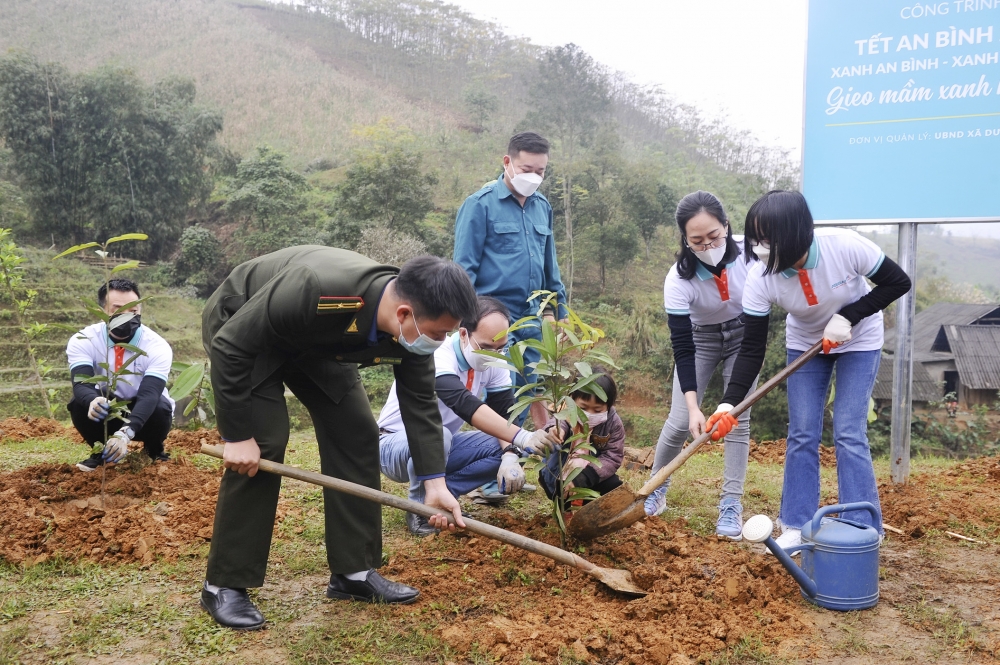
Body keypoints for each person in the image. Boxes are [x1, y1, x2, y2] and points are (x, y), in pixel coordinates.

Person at [199, 247, 478, 630]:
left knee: (357, 432)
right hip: (244, 327)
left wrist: (435, 482)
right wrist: (237, 435)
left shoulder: (414, 328)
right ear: (403, 314)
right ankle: (224, 584)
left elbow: (419, 401)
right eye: (439, 334)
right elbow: (232, 345)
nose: (440, 342)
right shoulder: (318, 289)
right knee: (264, 444)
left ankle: (354, 573)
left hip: (317, 342)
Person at [707, 190, 911, 552]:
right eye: (755, 238)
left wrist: (849, 316)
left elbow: (898, 282)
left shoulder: (844, 246)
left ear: (795, 234)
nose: (757, 247)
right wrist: (728, 404)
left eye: (766, 239)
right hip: (805, 344)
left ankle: (862, 525)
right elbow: (752, 349)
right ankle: (797, 524)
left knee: (848, 429)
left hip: (859, 339)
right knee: (802, 432)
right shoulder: (760, 276)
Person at [377, 296, 555, 536]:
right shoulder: (438, 354)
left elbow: (503, 416)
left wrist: (511, 454)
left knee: (507, 444)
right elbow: (464, 404)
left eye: (500, 347)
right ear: (463, 334)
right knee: (438, 435)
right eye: (486, 347)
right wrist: (522, 436)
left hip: (442, 445)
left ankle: (443, 495)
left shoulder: (496, 363)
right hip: (393, 446)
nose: (494, 354)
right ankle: (421, 511)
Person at [643, 191, 757, 541]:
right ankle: (655, 487)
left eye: (714, 236)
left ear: (726, 226)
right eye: (697, 240)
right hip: (700, 339)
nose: (707, 245)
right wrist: (694, 407)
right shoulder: (678, 279)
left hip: (745, 334)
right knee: (679, 420)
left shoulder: (752, 255)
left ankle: (731, 504)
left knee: (735, 420)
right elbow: (682, 347)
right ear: (685, 240)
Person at [453, 131, 567, 429]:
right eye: (526, 170)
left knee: (537, 387)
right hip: (492, 317)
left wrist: (557, 312)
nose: (533, 176)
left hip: (533, 317)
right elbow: (464, 270)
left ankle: (546, 455)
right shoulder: (480, 205)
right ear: (508, 162)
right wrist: (468, 320)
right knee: (502, 393)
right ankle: (501, 459)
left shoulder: (542, 207)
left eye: (540, 171)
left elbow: (549, 266)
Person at [66, 278, 174, 472]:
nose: (127, 316)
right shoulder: (84, 340)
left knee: (160, 407)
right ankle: (101, 453)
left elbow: (150, 394)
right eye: (118, 310)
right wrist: (92, 400)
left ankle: (154, 450)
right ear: (101, 312)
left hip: (144, 410)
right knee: (79, 403)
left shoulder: (156, 346)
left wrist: (125, 434)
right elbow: (81, 383)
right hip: (108, 406)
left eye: (133, 311)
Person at [538, 368, 625, 501]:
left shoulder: (613, 423)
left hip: (592, 475)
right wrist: (555, 431)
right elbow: (558, 423)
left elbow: (613, 456)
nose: (588, 414)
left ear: (609, 405)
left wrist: (585, 477)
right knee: (563, 494)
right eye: (583, 408)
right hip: (559, 472)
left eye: (597, 410)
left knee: (614, 487)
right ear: (572, 400)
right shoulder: (565, 412)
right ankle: (564, 508)